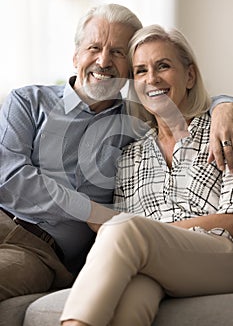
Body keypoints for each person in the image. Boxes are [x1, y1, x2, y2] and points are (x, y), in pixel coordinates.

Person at [0, 4, 232, 302]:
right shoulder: (29, 101)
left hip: (38, 250)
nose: (104, 61)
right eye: (94, 47)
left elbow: (182, 95)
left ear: (128, 68)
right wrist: (88, 210)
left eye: (118, 53)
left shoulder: (136, 125)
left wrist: (225, 106)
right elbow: (9, 176)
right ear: (75, 56)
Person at [60, 25, 233, 326]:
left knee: (125, 229)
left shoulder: (222, 130)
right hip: (157, 262)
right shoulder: (129, 156)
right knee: (131, 299)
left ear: (189, 76)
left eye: (163, 66)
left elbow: (231, 219)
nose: (151, 79)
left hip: (221, 256)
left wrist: (153, 234)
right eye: (140, 71)